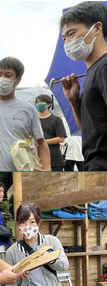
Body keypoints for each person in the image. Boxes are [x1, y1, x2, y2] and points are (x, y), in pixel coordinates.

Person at [5, 202, 73, 286]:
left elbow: (64, 265)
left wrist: (49, 258)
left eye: (31, 221)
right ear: (17, 224)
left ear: (38, 222)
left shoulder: (51, 241)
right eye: (23, 222)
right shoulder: (12, 252)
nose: (27, 226)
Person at [60, 2, 107, 170]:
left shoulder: (104, 66)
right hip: (93, 167)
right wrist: (74, 100)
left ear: (97, 28)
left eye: (72, 33)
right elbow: (89, 129)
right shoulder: (92, 72)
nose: (68, 43)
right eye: (64, 38)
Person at [35, 95, 67, 171]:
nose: (38, 104)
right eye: (37, 102)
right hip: (37, 158)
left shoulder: (56, 120)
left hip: (54, 159)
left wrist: (42, 142)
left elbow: (61, 138)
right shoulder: (34, 120)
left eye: (41, 102)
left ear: (48, 104)